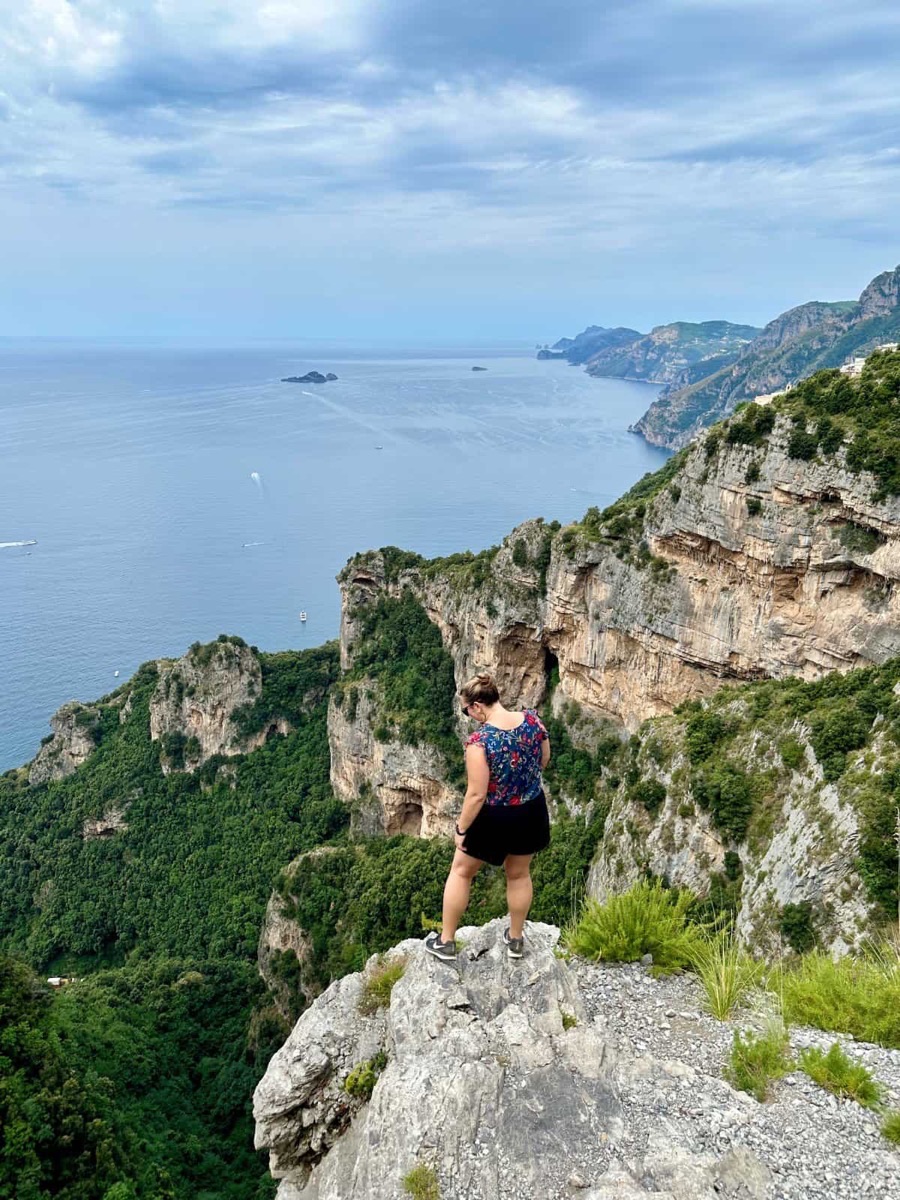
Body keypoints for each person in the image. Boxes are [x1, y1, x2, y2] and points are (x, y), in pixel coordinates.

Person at [425, 672, 551, 962]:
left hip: (494, 816)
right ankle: (516, 940)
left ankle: (446, 942)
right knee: (519, 874)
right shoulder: (533, 721)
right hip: (531, 810)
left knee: (461, 871)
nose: (468, 716)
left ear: (477, 706)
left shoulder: (480, 743)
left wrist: (461, 829)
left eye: (466, 711)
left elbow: (476, 794)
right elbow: (544, 759)